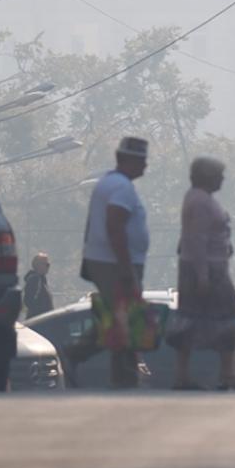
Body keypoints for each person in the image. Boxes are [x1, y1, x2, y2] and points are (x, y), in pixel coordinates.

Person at [172, 157, 235, 391]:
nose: (222, 180)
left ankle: (220, 373)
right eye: (218, 175)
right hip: (206, 271)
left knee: (204, 319)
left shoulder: (202, 199)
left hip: (208, 268)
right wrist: (203, 276)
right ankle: (211, 374)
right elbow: (196, 239)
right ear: (206, 176)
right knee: (224, 319)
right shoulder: (199, 201)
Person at [80, 137, 150, 388]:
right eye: (142, 160)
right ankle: (77, 354)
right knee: (124, 320)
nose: (145, 165)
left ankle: (122, 376)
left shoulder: (108, 183)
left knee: (117, 318)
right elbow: (115, 226)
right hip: (115, 263)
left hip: (107, 262)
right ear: (128, 160)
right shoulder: (121, 188)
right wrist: (126, 267)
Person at [22, 252, 55, 319]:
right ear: (37, 265)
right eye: (46, 264)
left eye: (48, 264)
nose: (48, 266)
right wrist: (40, 313)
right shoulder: (35, 279)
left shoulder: (41, 280)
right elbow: (29, 301)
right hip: (39, 320)